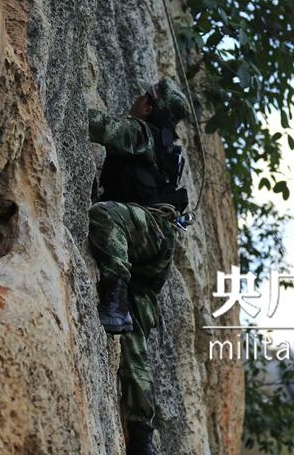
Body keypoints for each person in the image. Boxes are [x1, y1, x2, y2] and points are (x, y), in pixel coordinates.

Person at [87, 78, 192, 455]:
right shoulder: (171, 152)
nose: (136, 98)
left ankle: (113, 296)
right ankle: (141, 435)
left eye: (143, 96)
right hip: (157, 252)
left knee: (104, 216)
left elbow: (97, 127)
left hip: (144, 232)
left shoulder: (141, 132)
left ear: (150, 106)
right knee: (135, 341)